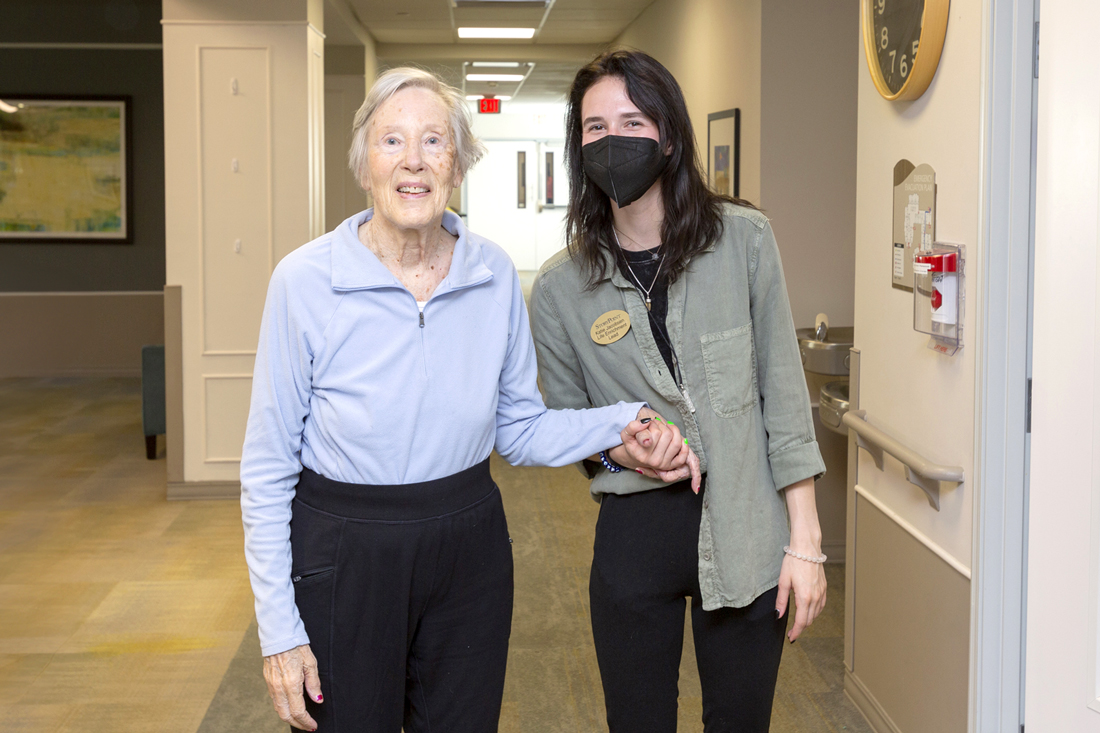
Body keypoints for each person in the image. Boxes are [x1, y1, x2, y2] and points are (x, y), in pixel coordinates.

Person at [239, 67, 698, 733]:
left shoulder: (491, 274)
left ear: (458, 163)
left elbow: (518, 428)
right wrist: (279, 631)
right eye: (391, 142)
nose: (414, 162)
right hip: (344, 549)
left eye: (434, 141)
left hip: (468, 547)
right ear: (364, 162)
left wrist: (622, 419)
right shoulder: (305, 281)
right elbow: (265, 467)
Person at [529, 50, 828, 732]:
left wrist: (805, 543)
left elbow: (783, 399)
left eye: (632, 120)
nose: (614, 140)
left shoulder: (744, 242)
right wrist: (621, 451)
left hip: (748, 530)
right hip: (635, 536)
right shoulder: (558, 289)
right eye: (595, 128)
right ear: (578, 148)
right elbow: (569, 427)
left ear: (668, 135)